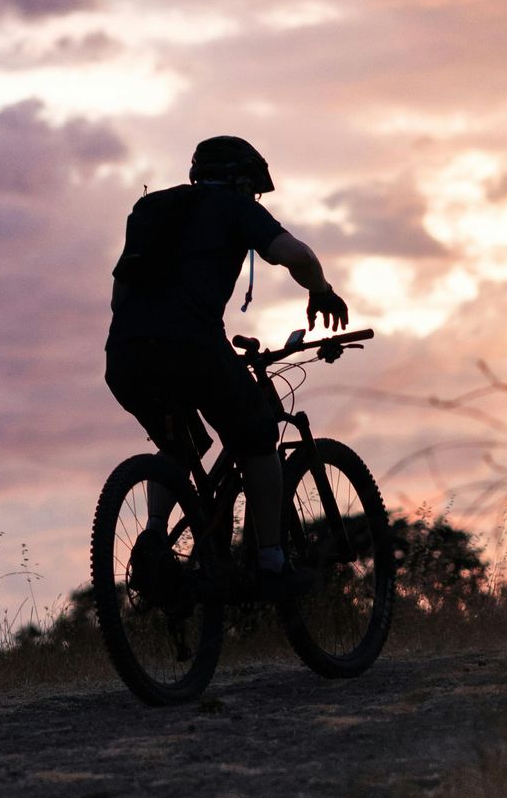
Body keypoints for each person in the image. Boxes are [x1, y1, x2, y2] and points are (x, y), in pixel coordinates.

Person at [106, 134, 349, 600]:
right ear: (242, 181)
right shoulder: (236, 209)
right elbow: (296, 255)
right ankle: (272, 563)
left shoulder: (150, 210)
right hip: (192, 344)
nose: (255, 197)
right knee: (257, 437)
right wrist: (321, 289)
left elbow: (120, 297)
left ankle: (156, 537)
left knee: (177, 445)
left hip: (126, 353)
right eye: (254, 189)